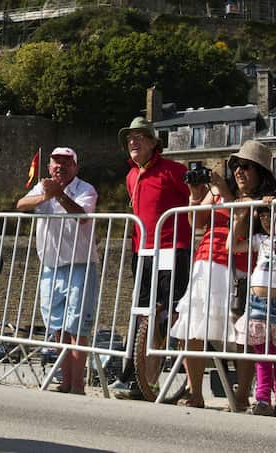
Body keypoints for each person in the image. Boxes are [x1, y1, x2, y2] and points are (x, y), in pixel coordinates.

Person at [168, 144, 253, 410]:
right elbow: (197, 221)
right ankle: (196, 393)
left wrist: (224, 193)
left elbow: (244, 220)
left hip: (233, 265)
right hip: (204, 260)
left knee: (236, 332)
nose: (238, 170)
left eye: (245, 166)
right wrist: (196, 194)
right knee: (190, 326)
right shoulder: (219, 193)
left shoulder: (255, 196)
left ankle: (240, 396)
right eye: (235, 166)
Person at [116, 116, 191, 400]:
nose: (132, 142)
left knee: (166, 315)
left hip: (173, 248)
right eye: (129, 138)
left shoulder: (173, 170)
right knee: (140, 312)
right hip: (142, 251)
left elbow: (195, 199)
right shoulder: (131, 176)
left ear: (152, 143)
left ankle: (154, 378)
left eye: (139, 137)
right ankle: (134, 376)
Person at [16, 147, 98, 395]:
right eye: (55, 163)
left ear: (75, 166)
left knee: (76, 327)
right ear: (49, 166)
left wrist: (59, 195)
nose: (59, 167)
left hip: (80, 265)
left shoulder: (86, 189)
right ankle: (65, 380)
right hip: (51, 266)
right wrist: (45, 196)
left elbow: (82, 216)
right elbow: (20, 204)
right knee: (58, 327)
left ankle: (78, 384)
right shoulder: (44, 187)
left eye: (65, 162)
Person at [230, 154, 276, 418]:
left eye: (269, 216)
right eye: (263, 216)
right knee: (261, 354)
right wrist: (242, 216)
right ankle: (262, 398)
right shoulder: (259, 239)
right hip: (257, 300)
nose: (265, 219)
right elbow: (232, 246)